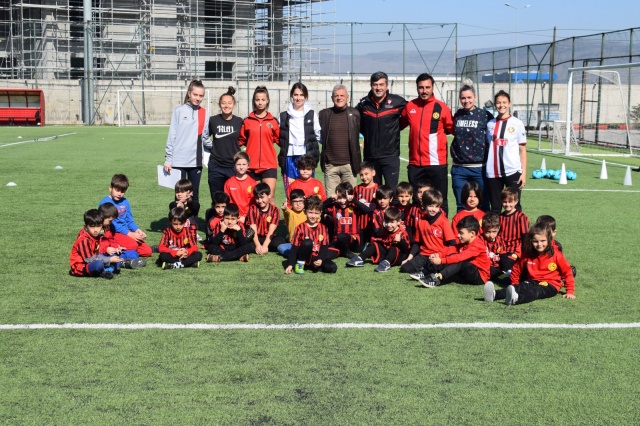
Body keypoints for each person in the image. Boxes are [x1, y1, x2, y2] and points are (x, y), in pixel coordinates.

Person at [400, 72, 454, 216]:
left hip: (437, 163)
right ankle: (418, 228)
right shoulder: (410, 106)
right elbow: (397, 125)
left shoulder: (441, 107)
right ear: (417, 88)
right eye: (421, 87)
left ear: (432, 87)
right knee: (417, 201)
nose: (424, 91)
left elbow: (453, 129)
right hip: (415, 164)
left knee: (440, 199)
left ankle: (441, 229)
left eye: (427, 87)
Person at [484, 223, 576, 305]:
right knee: (521, 287)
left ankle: (516, 299)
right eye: (535, 241)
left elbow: (567, 272)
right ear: (531, 241)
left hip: (550, 284)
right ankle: (494, 295)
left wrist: (570, 291)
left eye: (543, 241)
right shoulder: (527, 254)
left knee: (535, 291)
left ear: (549, 240)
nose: (539, 244)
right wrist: (514, 285)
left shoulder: (557, 255)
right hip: (532, 281)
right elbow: (517, 269)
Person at [164, 79, 210, 205]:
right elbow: (172, 135)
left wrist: (220, 146)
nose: (198, 98)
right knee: (179, 196)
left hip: (196, 161)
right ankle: (179, 218)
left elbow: (205, 137)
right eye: (195, 94)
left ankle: (193, 218)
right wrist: (168, 159)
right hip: (178, 161)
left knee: (194, 195)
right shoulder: (178, 111)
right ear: (189, 93)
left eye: (201, 96)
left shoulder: (204, 113)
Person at [357, 71, 407, 188]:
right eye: (375, 84)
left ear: (387, 86)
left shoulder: (397, 102)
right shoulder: (363, 104)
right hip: (370, 156)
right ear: (371, 86)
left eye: (381, 84)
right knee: (373, 191)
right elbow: (356, 122)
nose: (378, 88)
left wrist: (396, 128)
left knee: (391, 191)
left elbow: (410, 115)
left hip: (390, 156)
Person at [450, 85, 494, 212]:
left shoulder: (485, 115)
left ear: (475, 97)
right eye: (463, 98)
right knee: (461, 204)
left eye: (469, 97)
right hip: (459, 168)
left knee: (483, 204)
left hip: (479, 168)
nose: (466, 101)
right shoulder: (458, 115)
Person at [414, 216, 490, 288]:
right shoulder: (466, 242)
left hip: (479, 277)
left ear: (472, 233)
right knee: (452, 257)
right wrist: (438, 254)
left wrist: (441, 261)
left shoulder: (477, 245)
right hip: (468, 271)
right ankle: (426, 271)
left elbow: (460, 257)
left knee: (459, 261)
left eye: (461, 233)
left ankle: (438, 278)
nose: (458, 235)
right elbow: (452, 249)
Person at [485, 90, 527, 213]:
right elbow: (489, 145)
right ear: (495, 104)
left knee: (514, 207)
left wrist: (523, 173)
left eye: (504, 102)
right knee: (495, 208)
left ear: (509, 104)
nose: (501, 105)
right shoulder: (490, 124)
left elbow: (522, 150)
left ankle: (517, 226)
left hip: (512, 171)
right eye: (498, 102)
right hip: (493, 173)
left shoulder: (517, 123)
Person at [238, 86, 280, 204]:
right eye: (257, 100)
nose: (260, 102)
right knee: (255, 197)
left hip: (269, 164)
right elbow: (240, 140)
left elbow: (280, 140)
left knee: (270, 196)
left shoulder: (273, 121)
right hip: (251, 165)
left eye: (263, 99)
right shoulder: (247, 121)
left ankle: (272, 217)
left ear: (267, 101)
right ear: (254, 101)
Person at [319, 84, 362, 196]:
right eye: (336, 96)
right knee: (332, 199)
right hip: (330, 166)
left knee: (350, 199)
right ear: (332, 98)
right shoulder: (324, 114)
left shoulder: (355, 114)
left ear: (347, 97)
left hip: (349, 166)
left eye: (342, 95)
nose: (339, 98)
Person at [400, 189, 456, 275]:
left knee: (435, 267)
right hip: (424, 254)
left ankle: (425, 270)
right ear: (424, 205)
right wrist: (409, 258)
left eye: (437, 207)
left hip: (438, 255)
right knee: (405, 268)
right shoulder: (420, 221)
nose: (433, 209)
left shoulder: (444, 221)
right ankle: (424, 269)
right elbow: (417, 243)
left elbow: (452, 243)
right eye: (430, 206)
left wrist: (442, 256)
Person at [278, 82, 321, 192]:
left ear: (306, 96)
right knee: (291, 190)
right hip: (289, 156)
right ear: (291, 96)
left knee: (308, 190)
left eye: (301, 95)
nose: (298, 98)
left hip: (306, 155)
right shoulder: (283, 115)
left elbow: (318, 134)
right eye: (296, 95)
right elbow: (279, 135)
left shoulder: (311, 114)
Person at [98, 174, 152, 257]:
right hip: (113, 232)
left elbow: (129, 220)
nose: (120, 194)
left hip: (126, 231)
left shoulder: (125, 201)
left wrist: (137, 230)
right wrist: (129, 234)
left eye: (122, 191)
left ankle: (126, 250)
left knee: (147, 251)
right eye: (117, 190)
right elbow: (111, 224)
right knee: (133, 245)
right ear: (110, 188)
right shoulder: (105, 202)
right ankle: (116, 250)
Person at [206, 86, 243, 202]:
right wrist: (213, 148)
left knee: (234, 199)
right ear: (219, 104)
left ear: (234, 105)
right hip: (216, 166)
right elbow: (204, 137)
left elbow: (245, 139)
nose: (226, 106)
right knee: (217, 200)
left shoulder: (239, 121)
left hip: (234, 167)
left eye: (229, 103)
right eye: (223, 103)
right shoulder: (213, 120)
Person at [346, 206, 410, 273]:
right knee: (375, 244)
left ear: (398, 222)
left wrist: (400, 241)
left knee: (394, 246)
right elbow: (384, 241)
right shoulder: (386, 230)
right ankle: (360, 258)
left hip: (398, 257)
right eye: (387, 222)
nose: (389, 225)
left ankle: (386, 264)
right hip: (387, 252)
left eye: (392, 222)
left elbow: (406, 248)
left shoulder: (401, 232)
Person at [285, 195, 337, 275]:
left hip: (316, 256)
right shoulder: (300, 227)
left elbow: (324, 247)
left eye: (316, 213)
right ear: (305, 211)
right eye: (310, 212)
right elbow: (294, 248)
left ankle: (314, 265)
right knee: (307, 242)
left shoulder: (323, 228)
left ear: (320, 213)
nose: (313, 216)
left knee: (332, 267)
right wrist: (290, 265)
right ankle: (300, 264)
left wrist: (320, 259)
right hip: (304, 256)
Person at [324, 182, 372, 260]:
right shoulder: (334, 207)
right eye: (339, 198)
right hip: (337, 240)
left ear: (349, 197)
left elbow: (368, 210)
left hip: (353, 240)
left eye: (345, 198)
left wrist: (354, 200)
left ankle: (347, 252)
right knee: (326, 256)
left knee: (342, 236)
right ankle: (343, 251)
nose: (342, 201)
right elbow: (319, 208)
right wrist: (330, 200)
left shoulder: (354, 206)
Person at [69, 209, 122, 279]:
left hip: (94, 260)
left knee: (115, 257)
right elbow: (89, 259)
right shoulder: (84, 240)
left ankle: (107, 270)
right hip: (81, 266)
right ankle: (107, 270)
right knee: (98, 264)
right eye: (92, 226)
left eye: (99, 226)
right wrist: (109, 260)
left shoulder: (97, 236)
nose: (96, 230)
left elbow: (98, 255)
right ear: (86, 227)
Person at [98, 202, 146, 268]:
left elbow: (111, 240)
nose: (111, 223)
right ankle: (123, 263)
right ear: (102, 217)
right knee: (112, 258)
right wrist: (106, 249)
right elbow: (96, 245)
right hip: (104, 253)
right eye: (110, 221)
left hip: (112, 251)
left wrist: (117, 247)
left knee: (132, 253)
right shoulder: (97, 229)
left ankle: (132, 261)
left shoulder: (107, 227)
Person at [246, 183, 286, 255]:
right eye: (257, 198)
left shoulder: (275, 210)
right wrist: (258, 245)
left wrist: (265, 246)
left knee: (280, 241)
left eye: (262, 197)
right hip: (255, 238)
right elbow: (252, 230)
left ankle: (260, 248)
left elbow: (271, 231)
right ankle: (257, 247)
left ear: (269, 195)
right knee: (244, 241)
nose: (260, 201)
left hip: (268, 238)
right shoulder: (252, 209)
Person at [498, 187, 530, 274]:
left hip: (516, 250)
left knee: (508, 264)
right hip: (502, 249)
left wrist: (524, 254)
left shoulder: (521, 217)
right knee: (498, 264)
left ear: (516, 201)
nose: (507, 204)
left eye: (510, 202)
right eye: (505, 202)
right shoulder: (500, 217)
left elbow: (525, 237)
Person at [223, 151, 257, 222]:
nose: (241, 167)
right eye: (238, 164)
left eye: (244, 164)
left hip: (249, 216)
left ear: (248, 165)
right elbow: (228, 202)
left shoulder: (253, 183)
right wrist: (236, 216)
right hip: (234, 216)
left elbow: (254, 203)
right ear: (234, 165)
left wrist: (246, 216)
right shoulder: (228, 183)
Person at [277, 189, 307, 257]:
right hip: (294, 244)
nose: (298, 204)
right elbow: (286, 211)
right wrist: (284, 208)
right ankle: (298, 255)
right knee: (280, 247)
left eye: (300, 201)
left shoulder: (308, 212)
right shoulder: (290, 213)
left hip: (307, 242)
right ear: (290, 203)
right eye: (295, 201)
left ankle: (296, 255)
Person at [354, 161, 379, 244]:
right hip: (360, 225)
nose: (364, 177)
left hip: (374, 226)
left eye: (366, 174)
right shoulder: (357, 189)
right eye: (361, 175)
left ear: (373, 173)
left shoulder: (379, 189)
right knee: (359, 247)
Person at [480, 212, 505, 280]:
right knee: (499, 276)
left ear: (498, 228)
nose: (491, 235)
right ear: (482, 229)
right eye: (488, 232)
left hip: (497, 266)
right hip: (485, 267)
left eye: (494, 232)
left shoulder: (500, 240)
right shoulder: (480, 240)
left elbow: (503, 254)